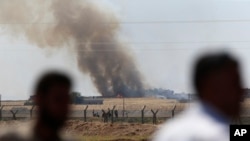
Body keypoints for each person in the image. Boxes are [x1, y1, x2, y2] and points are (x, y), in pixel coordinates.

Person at [152, 53, 244, 141]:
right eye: (235, 84)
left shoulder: (168, 132)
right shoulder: (220, 134)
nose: (241, 91)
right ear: (211, 87)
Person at [0, 71, 76, 141]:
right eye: (58, 100)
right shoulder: (11, 138)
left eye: (67, 101)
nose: (64, 108)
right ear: (40, 99)